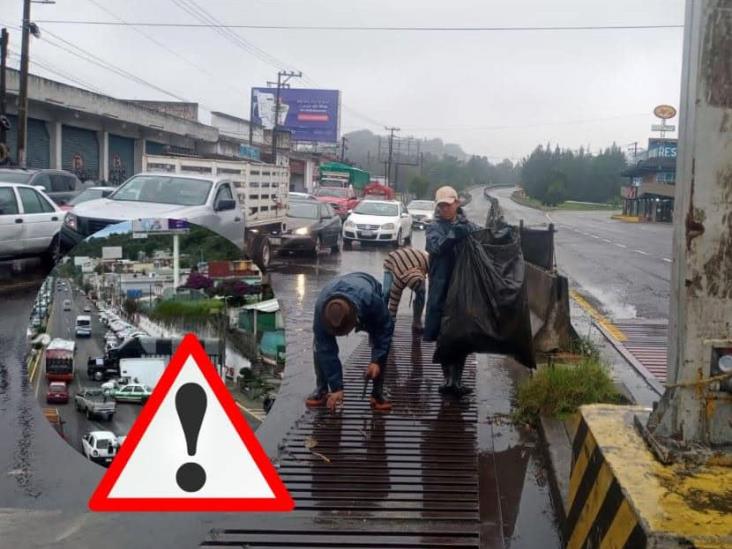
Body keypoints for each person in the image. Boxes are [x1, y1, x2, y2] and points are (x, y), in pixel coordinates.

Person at [305, 272, 395, 412]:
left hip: (366, 283)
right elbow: (325, 349)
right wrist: (337, 388)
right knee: (319, 344)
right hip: (337, 287)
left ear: (355, 319)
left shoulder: (371, 301)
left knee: (380, 342)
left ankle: (377, 393)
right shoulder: (321, 309)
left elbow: (385, 329)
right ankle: (322, 389)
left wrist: (376, 360)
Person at [424, 185, 480, 397]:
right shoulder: (433, 228)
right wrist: (453, 235)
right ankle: (448, 380)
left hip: (464, 291)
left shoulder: (468, 226)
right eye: (441, 206)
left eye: (448, 204)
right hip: (441, 291)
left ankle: (457, 380)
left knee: (462, 336)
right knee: (443, 335)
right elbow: (436, 247)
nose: (445, 209)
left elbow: (482, 241)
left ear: (456, 203)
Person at [382, 247, 429, 332]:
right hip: (392, 262)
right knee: (386, 292)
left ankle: (417, 322)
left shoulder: (426, 261)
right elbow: (394, 303)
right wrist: (391, 322)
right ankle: (381, 319)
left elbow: (436, 276)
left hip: (415, 261)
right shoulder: (398, 281)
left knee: (421, 293)